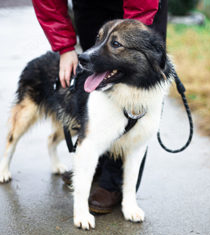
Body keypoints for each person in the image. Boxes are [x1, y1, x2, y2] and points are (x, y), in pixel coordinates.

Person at [32, 0, 168, 214]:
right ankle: (96, 167)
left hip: (142, 6)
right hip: (90, 7)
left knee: (138, 118)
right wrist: (65, 47)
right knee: (99, 80)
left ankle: (113, 184)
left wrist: (136, 38)